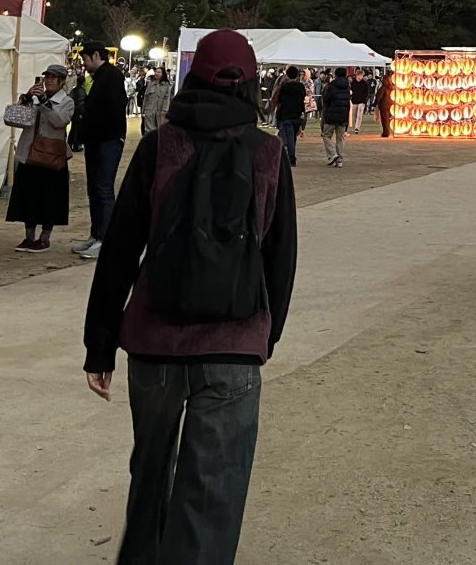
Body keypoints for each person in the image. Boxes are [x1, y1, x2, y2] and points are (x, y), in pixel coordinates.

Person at [82, 28, 297, 565]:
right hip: (233, 345)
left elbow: (120, 248)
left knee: (150, 476)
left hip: (154, 342)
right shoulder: (268, 152)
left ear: (192, 77)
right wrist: (265, 335)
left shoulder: (160, 146)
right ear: (250, 84)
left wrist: (99, 345)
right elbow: (280, 257)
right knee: (214, 491)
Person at [6, 63, 74, 252]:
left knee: (50, 199)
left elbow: (60, 121)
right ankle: (29, 237)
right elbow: (15, 120)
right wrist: (27, 98)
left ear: (62, 81)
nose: (49, 80)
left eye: (53, 77)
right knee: (28, 197)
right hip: (29, 153)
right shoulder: (33, 98)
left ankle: (45, 238)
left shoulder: (67, 101)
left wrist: (44, 103)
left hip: (52, 156)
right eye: (47, 77)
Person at [73, 42, 128, 260]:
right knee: (94, 189)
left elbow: (112, 109)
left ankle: (106, 239)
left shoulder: (112, 76)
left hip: (108, 140)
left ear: (96, 55)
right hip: (96, 141)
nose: (84, 64)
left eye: (85, 59)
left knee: (103, 189)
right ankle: (96, 235)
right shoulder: (99, 78)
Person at [271, 64, 306, 167]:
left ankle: (291, 157)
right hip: (297, 114)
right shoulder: (300, 86)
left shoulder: (284, 87)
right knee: (293, 136)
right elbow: (303, 97)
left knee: (290, 137)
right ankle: (291, 155)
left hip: (286, 114)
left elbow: (277, 98)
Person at [320, 66, 351, 167]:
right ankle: (339, 160)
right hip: (343, 114)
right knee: (340, 137)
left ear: (335, 75)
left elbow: (326, 99)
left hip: (332, 114)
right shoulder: (347, 86)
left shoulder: (332, 86)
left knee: (326, 135)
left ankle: (333, 154)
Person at [140, 68, 173, 134]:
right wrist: (143, 110)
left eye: (159, 72)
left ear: (163, 74)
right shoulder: (151, 84)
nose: (156, 73)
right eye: (156, 72)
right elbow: (146, 97)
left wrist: (164, 110)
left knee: (160, 130)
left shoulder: (166, 85)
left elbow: (167, 98)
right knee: (149, 131)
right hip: (150, 110)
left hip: (160, 112)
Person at [373, 69, 393, 138]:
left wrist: (375, 103)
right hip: (390, 105)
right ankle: (388, 130)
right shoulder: (391, 88)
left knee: (384, 119)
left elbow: (379, 96)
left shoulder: (383, 88)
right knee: (388, 119)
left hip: (384, 105)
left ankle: (386, 132)